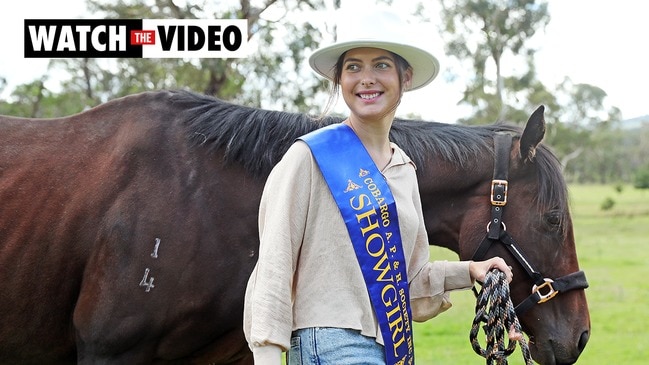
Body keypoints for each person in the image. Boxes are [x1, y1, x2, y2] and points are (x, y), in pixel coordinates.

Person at [243, 9, 513, 365]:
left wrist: (469, 271)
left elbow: (410, 282)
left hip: (387, 347)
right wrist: (265, 354)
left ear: (406, 77)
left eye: (381, 65)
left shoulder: (403, 170)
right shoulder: (310, 156)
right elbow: (275, 261)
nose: (366, 79)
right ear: (340, 80)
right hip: (326, 342)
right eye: (353, 67)